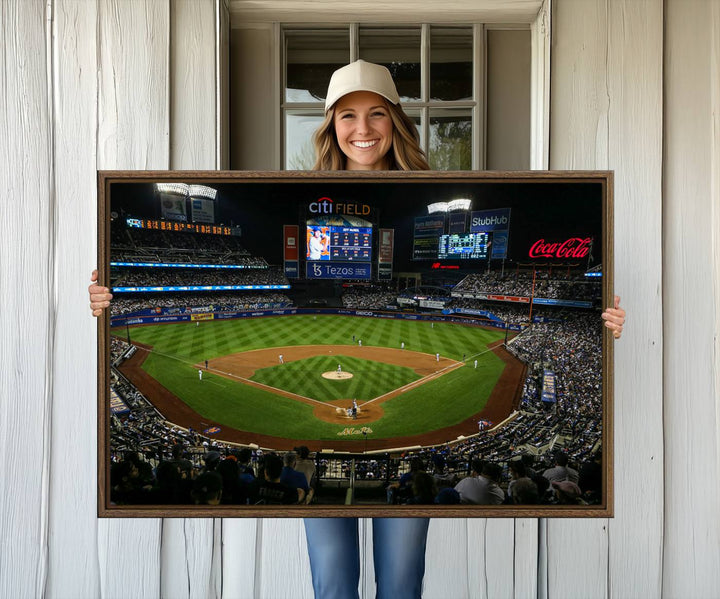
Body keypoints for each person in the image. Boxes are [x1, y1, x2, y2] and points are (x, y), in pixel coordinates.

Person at [88, 59, 627, 599]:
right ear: (330, 125)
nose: (362, 129)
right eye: (347, 115)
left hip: (396, 491)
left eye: (376, 114)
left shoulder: (441, 187)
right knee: (333, 584)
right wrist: (103, 298)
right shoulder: (301, 185)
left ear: (396, 121)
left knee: (400, 583)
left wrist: (605, 321)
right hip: (328, 464)